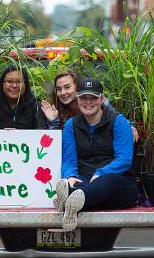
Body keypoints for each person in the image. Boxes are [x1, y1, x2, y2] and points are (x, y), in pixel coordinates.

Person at [54, 77, 139, 231]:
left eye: (93, 97)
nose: (88, 102)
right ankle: (75, 200)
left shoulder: (118, 121)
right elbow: (69, 160)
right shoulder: (71, 125)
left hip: (119, 183)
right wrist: (70, 176)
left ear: (102, 98)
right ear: (77, 99)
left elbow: (124, 159)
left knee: (106, 181)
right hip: (86, 180)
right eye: (83, 98)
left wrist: (101, 173)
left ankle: (70, 200)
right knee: (81, 184)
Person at [0, 65, 48, 129]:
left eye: (19, 82)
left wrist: (17, 135)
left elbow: (41, 130)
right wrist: (3, 134)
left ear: (25, 85)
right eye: (9, 81)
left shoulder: (37, 106)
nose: (14, 86)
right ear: (2, 84)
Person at [40, 70, 114, 129]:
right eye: (59, 89)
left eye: (67, 87)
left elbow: (113, 123)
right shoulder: (54, 111)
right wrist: (54, 122)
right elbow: (55, 144)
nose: (63, 92)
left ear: (78, 87)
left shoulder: (97, 104)